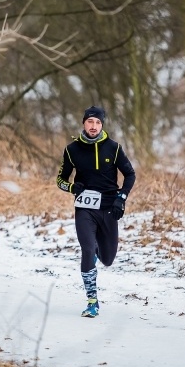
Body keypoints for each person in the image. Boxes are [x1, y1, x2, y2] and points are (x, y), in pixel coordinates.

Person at [56, 105, 136, 318]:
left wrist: (121, 198)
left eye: (98, 122)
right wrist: (73, 188)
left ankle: (97, 253)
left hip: (109, 208)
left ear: (102, 125)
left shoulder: (114, 148)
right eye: (90, 122)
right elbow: (60, 180)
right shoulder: (72, 150)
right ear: (84, 123)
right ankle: (92, 301)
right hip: (85, 209)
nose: (94, 126)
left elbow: (130, 175)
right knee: (87, 249)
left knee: (108, 259)